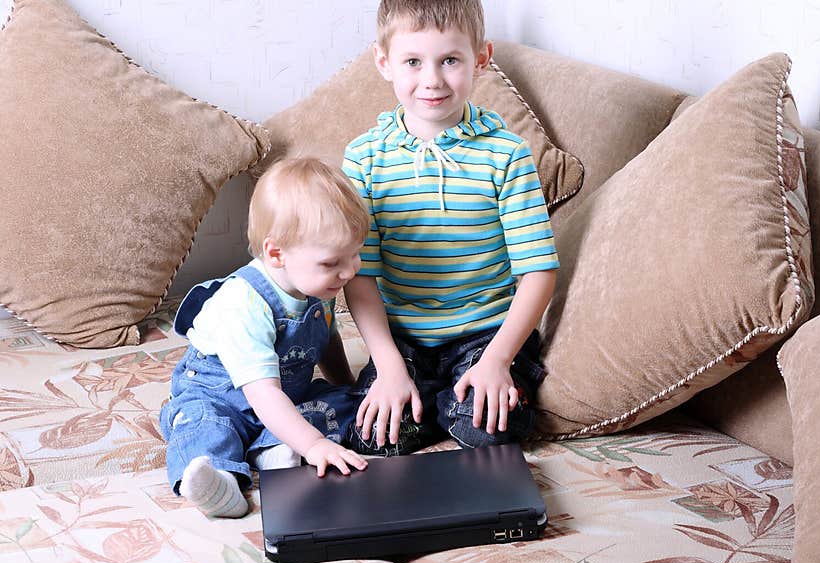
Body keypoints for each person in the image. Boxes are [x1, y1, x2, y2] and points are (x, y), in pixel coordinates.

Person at [342, 0, 559, 456]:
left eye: (450, 60)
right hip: (403, 339)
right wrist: (388, 369)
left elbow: (538, 271)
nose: (432, 80)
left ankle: (453, 398)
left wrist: (498, 361)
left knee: (490, 428)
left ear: (481, 58)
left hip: (486, 335)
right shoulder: (364, 158)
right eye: (413, 62)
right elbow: (361, 276)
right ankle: (428, 398)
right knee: (373, 434)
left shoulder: (508, 155)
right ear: (384, 63)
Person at [160, 158, 370, 518]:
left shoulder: (315, 284)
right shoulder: (242, 304)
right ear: (276, 253)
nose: (351, 270)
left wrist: (344, 383)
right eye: (333, 261)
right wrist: (314, 443)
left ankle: (272, 449)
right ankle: (221, 484)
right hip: (224, 396)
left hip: (286, 397)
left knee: (352, 403)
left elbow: (326, 338)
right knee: (203, 426)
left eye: (355, 254)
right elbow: (262, 393)